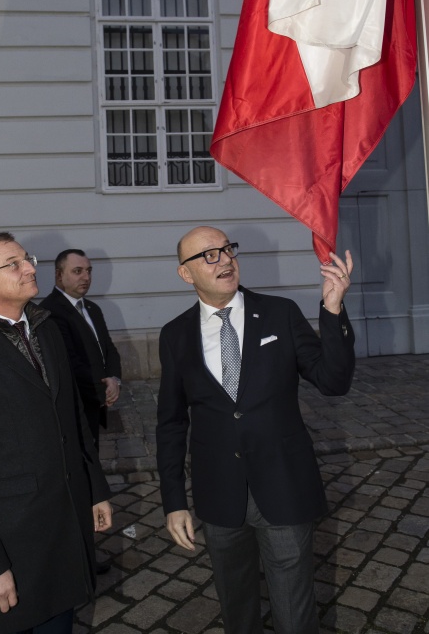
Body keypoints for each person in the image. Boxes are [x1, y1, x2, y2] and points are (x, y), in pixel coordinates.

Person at [156, 226, 355, 634]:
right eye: (209, 255)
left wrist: (332, 310)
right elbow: (172, 422)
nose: (225, 260)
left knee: (295, 616)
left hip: (283, 488)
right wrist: (174, 500)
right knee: (237, 611)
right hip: (219, 497)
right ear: (185, 273)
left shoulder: (280, 313)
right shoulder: (175, 335)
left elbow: (333, 381)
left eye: (227, 249)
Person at [0, 233, 112, 634]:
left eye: (25, 258)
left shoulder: (48, 331)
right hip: (13, 542)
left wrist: (95, 487)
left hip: (65, 529)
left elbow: (73, 418)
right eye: (13, 263)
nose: (30, 267)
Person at [40, 249, 122, 450]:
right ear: (59, 275)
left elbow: (108, 348)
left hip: (95, 402)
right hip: (74, 405)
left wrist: (115, 380)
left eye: (89, 271)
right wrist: (103, 389)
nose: (86, 277)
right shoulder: (50, 312)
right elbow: (68, 361)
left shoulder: (93, 308)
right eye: (77, 271)